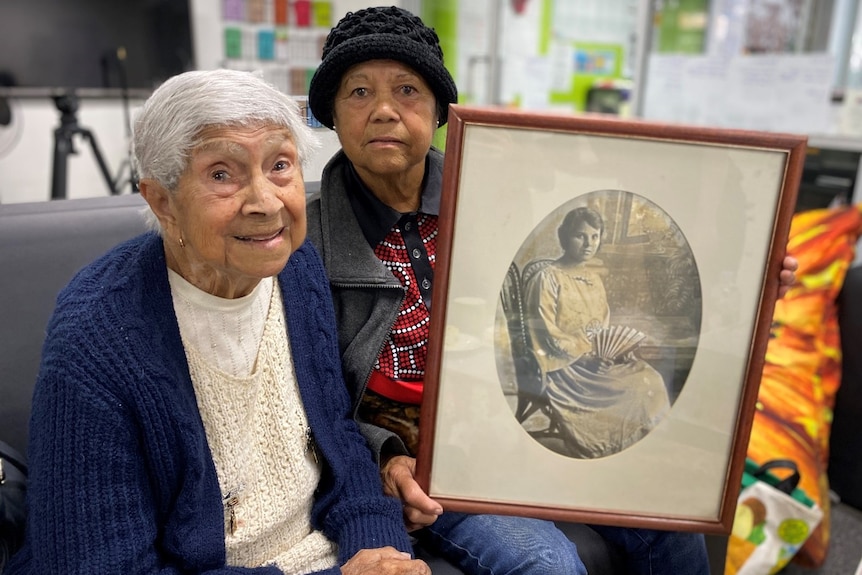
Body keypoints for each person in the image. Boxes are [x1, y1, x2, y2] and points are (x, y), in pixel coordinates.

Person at [305, 6, 799, 574]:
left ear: (439, 110)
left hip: (523, 424)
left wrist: (753, 289)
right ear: (332, 115)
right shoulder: (305, 237)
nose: (385, 110)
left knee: (673, 527)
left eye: (408, 90)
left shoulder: (500, 196)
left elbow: (608, 290)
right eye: (359, 92)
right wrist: (386, 457)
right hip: (426, 462)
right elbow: (308, 399)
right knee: (547, 565)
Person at [6, 69, 428, 575]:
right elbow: (99, 565)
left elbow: (337, 441)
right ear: (162, 202)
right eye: (222, 174)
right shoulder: (97, 335)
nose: (266, 203)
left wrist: (376, 545)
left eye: (280, 165)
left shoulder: (297, 268)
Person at [524, 206, 671, 459]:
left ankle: (644, 451)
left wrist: (615, 352)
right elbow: (546, 332)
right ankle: (613, 449)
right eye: (580, 236)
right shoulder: (547, 278)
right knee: (634, 388)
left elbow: (603, 329)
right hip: (566, 368)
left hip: (596, 359)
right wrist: (586, 355)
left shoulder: (595, 280)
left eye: (594, 236)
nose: (588, 244)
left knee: (649, 376)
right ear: (564, 237)